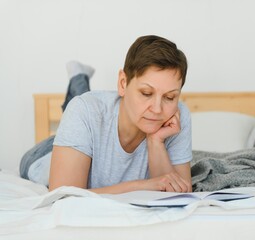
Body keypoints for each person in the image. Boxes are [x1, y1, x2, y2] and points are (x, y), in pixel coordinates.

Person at [20, 35, 192, 194]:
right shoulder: (84, 110)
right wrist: (143, 185)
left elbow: (176, 194)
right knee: (82, 108)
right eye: (146, 93)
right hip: (43, 155)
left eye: (170, 97)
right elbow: (64, 198)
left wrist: (156, 141)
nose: (157, 109)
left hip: (92, 126)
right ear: (123, 83)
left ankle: (79, 78)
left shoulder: (177, 115)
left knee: (87, 111)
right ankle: (78, 77)